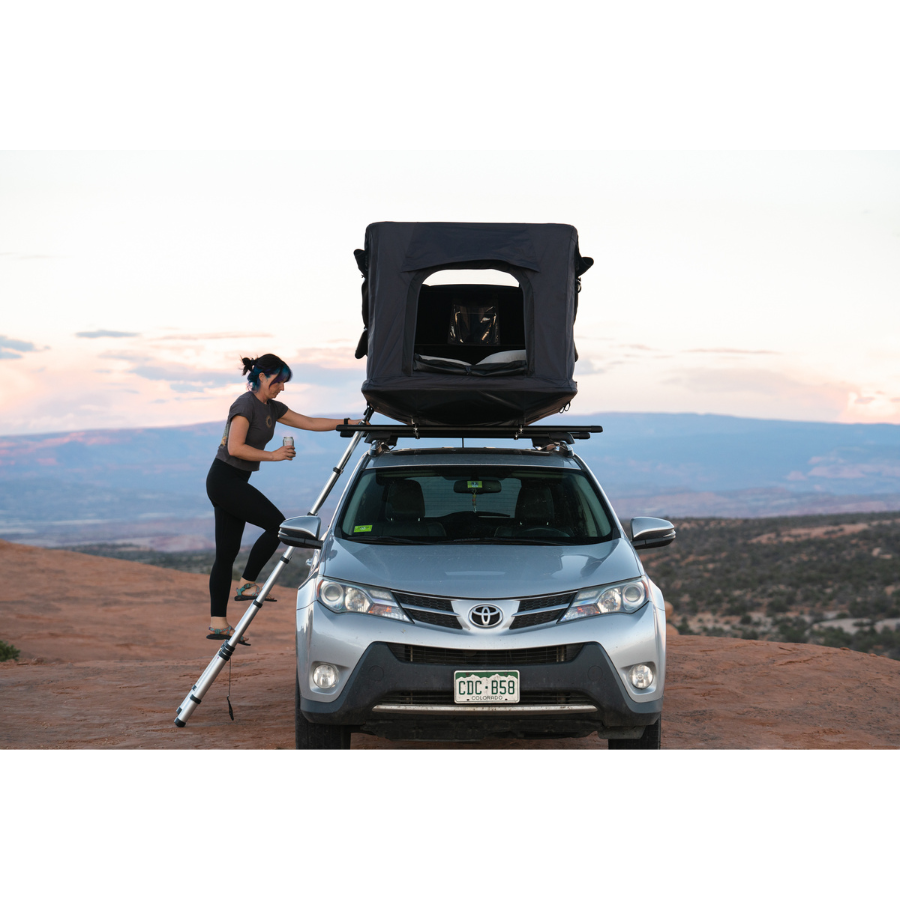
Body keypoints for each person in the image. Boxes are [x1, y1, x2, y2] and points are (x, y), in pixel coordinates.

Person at [205, 353, 361, 644]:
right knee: (279, 525)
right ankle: (248, 584)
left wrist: (347, 422)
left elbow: (309, 422)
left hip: (234, 481)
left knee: (226, 554)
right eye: (278, 381)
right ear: (262, 377)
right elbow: (236, 448)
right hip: (224, 480)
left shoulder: (272, 408)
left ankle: (218, 624)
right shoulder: (244, 404)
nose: (282, 388)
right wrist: (273, 455)